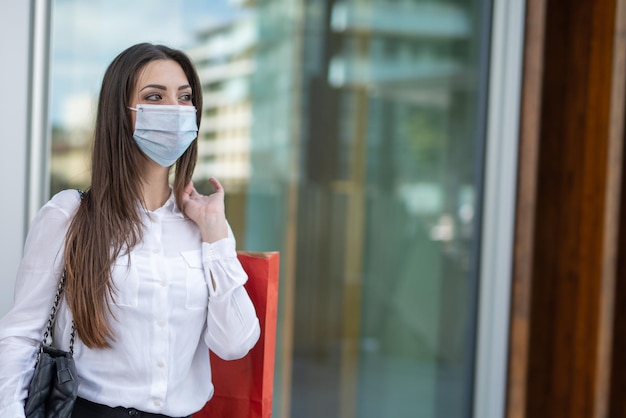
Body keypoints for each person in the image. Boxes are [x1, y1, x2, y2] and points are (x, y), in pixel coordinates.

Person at [0, 43, 261, 418]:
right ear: (121, 114)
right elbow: (21, 336)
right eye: (155, 96)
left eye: (185, 97)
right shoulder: (69, 214)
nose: (175, 109)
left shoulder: (204, 227)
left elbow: (235, 344)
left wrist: (217, 234)